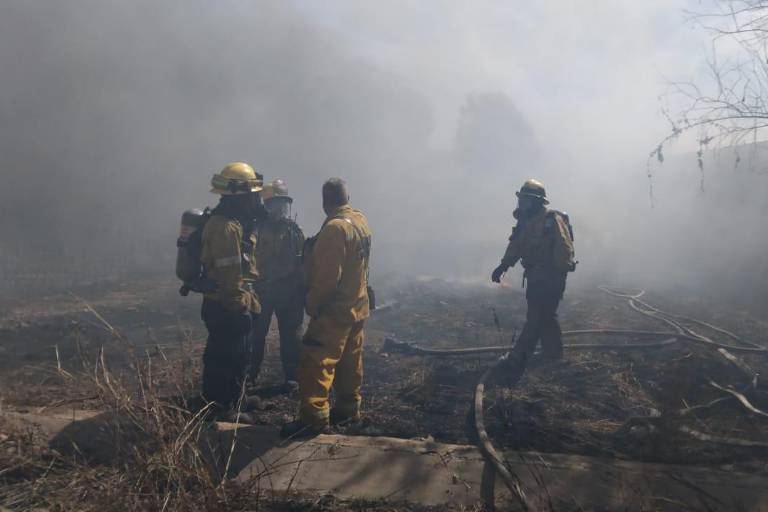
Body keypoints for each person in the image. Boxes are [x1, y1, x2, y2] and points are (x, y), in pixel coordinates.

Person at [281, 178, 372, 438]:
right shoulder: (360, 220)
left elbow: (327, 279)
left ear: (324, 202)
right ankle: (348, 410)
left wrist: (312, 304)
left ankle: (314, 419)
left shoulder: (334, 229)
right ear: (347, 197)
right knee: (350, 362)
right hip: (357, 306)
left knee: (316, 362)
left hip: (334, 311)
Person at [200, 162, 265, 422]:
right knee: (226, 359)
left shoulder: (234, 223)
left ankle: (237, 399)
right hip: (226, 304)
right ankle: (223, 409)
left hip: (231, 301)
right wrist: (239, 306)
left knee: (239, 356)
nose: (255, 201)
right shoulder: (225, 228)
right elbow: (230, 274)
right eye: (252, 196)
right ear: (240, 197)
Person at [491, 178, 575, 367]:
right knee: (546, 315)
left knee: (536, 316)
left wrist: (556, 274)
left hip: (551, 276)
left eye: (527, 200)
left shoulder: (552, 220)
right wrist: (503, 266)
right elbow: (515, 246)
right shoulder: (525, 222)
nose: (523, 204)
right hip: (534, 275)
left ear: (538, 202)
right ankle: (552, 354)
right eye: (522, 200)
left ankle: (519, 355)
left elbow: (564, 247)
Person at [249, 179, 305, 391]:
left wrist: (303, 289)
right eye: (275, 204)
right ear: (265, 205)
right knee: (255, 335)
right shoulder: (254, 229)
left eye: (283, 204)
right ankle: (249, 376)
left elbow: (303, 261)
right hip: (260, 289)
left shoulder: (294, 230)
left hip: (288, 290)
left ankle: (293, 377)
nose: (280, 209)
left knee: (292, 335)